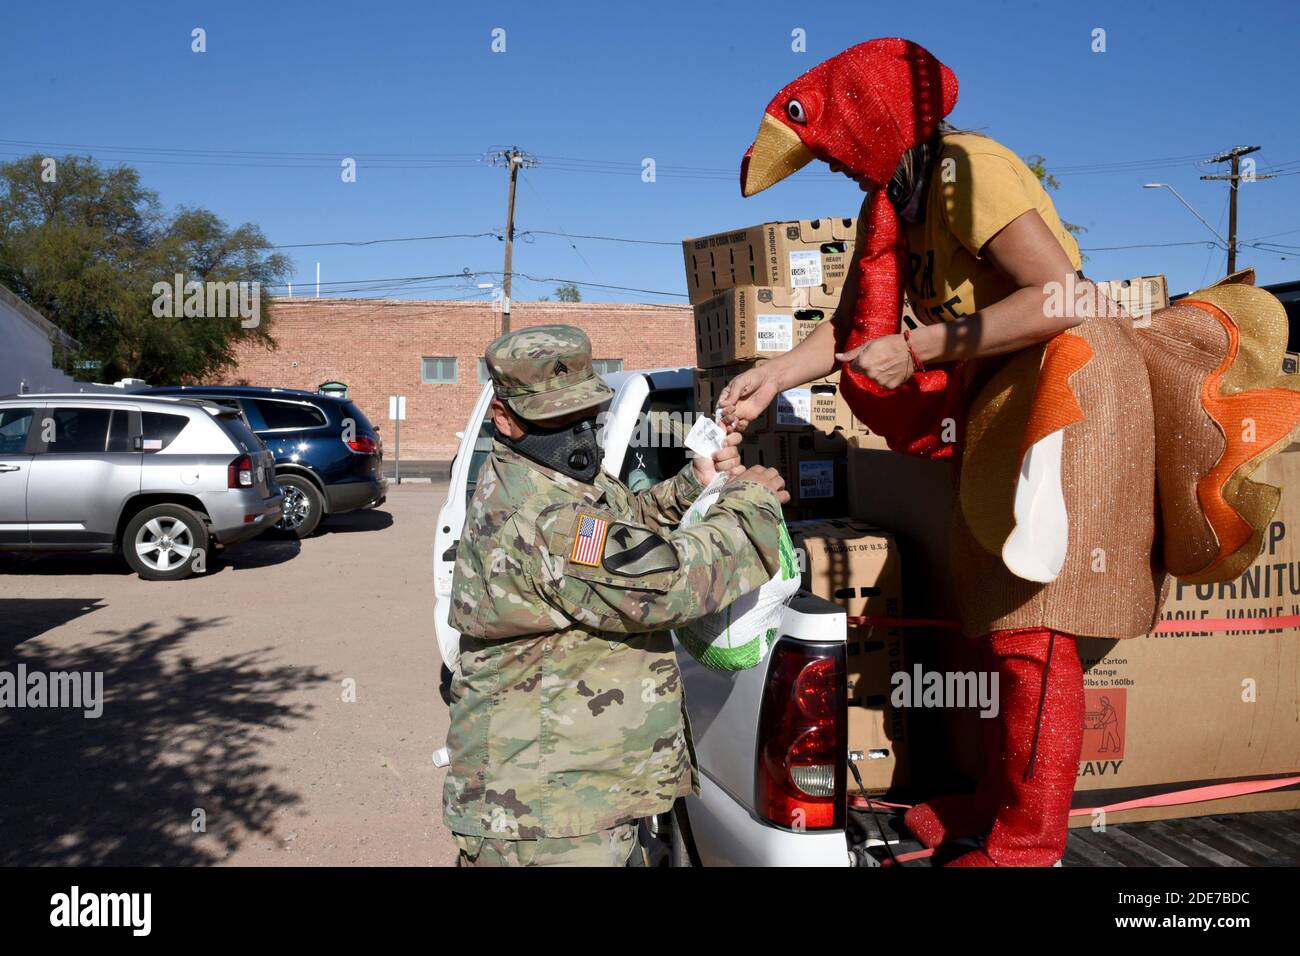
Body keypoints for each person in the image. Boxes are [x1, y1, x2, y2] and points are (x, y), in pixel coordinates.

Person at [721, 38, 1300, 865]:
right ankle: (996, 804)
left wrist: (923, 351)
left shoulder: (966, 168)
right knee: (994, 616)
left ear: (877, 124)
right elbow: (854, 332)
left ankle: (1028, 845)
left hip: (1076, 388)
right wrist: (772, 372)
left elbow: (1067, 294)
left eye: (842, 154)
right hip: (1000, 403)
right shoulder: (894, 204)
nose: (843, 173)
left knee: (1039, 627)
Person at [444, 324, 790, 867]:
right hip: (546, 817)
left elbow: (621, 527)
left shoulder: (551, 476)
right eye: (554, 419)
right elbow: (670, 582)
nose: (575, 432)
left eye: (584, 414)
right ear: (504, 418)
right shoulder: (541, 518)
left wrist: (691, 487)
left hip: (580, 791)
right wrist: (751, 505)